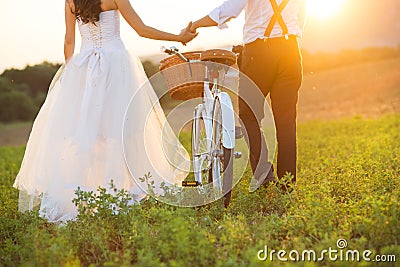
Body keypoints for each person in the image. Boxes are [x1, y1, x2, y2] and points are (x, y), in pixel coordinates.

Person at [13, 0, 197, 223]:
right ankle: (120, 189)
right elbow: (142, 30)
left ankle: (91, 193)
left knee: (89, 134)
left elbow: (69, 40)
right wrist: (179, 37)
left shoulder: (71, 1)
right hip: (116, 66)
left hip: (85, 67)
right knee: (125, 132)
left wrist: (71, 77)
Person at [190, 0, 306, 191]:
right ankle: (287, 185)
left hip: (260, 53)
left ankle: (264, 176)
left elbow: (227, 11)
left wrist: (194, 25)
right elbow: (301, 16)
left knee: (249, 115)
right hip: (291, 52)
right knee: (286, 122)